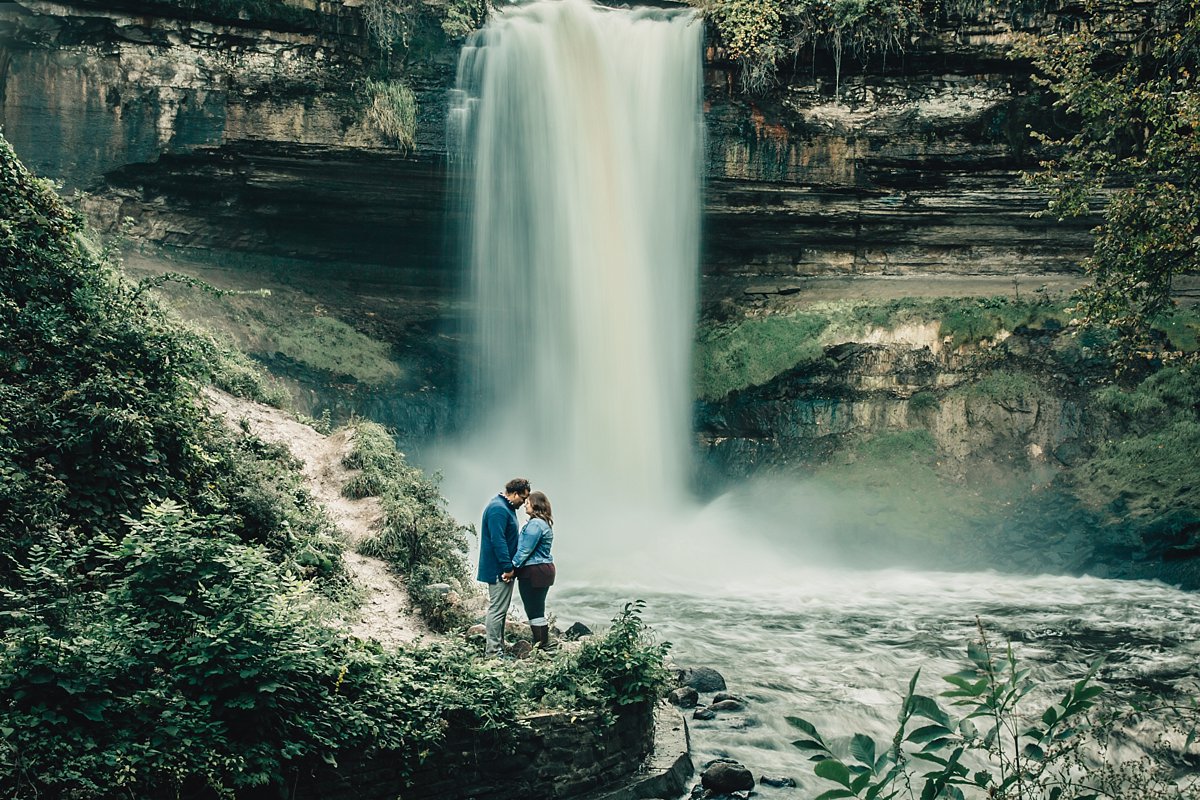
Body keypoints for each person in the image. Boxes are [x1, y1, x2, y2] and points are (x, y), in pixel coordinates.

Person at [478, 477, 530, 657]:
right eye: (523, 499)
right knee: (497, 610)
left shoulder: (504, 507)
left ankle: (498, 647)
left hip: (501, 569)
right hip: (498, 570)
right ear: (515, 494)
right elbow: (498, 541)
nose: (523, 503)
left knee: (500, 609)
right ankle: (493, 653)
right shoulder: (498, 510)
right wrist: (507, 567)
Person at [513, 491, 556, 650]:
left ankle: (541, 645)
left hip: (534, 571)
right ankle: (543, 644)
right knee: (537, 608)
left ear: (536, 504)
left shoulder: (535, 524)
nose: (525, 504)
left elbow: (525, 549)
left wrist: (512, 567)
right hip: (542, 570)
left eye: (528, 502)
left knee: (534, 610)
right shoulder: (543, 523)